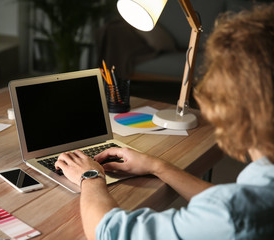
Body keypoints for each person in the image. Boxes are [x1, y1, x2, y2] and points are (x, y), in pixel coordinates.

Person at [55, 3, 274, 240]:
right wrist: (156, 166)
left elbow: (111, 233)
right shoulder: (256, 196)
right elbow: (228, 205)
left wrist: (90, 176)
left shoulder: (235, 214)